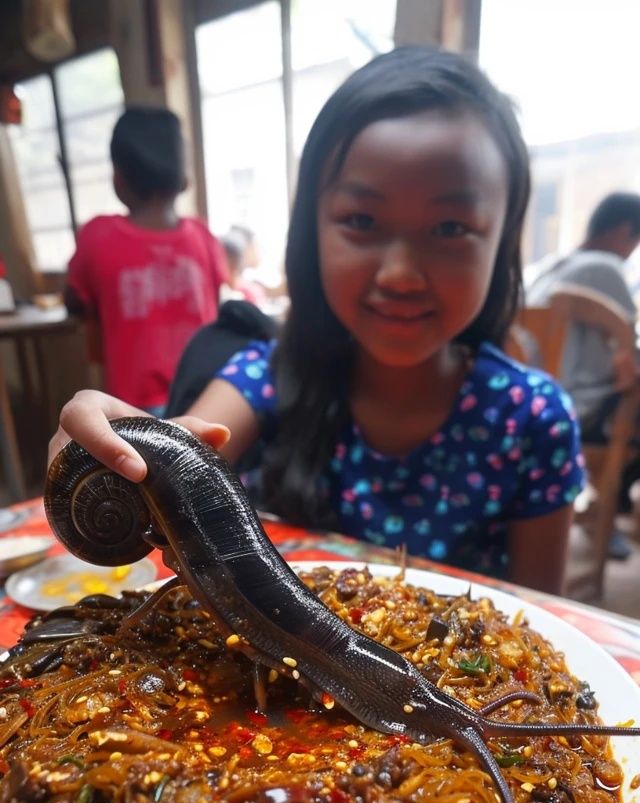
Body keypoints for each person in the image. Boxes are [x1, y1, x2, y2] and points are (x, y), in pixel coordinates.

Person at [50, 46, 585, 594]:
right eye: (361, 220)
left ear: (502, 241)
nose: (401, 274)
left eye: (450, 228)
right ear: (312, 232)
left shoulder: (535, 421)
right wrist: (103, 454)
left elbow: (545, 615)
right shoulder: (267, 374)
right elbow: (185, 449)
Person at [64, 106, 228, 414]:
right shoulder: (203, 237)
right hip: (206, 399)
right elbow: (216, 310)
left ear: (119, 177)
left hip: (131, 407)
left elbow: (75, 300)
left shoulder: (96, 237)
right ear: (183, 177)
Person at [527, 193, 640, 557]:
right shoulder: (605, 268)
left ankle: (603, 517)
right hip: (580, 411)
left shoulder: (549, 266)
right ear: (625, 231)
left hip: (533, 406)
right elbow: (630, 355)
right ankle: (610, 515)